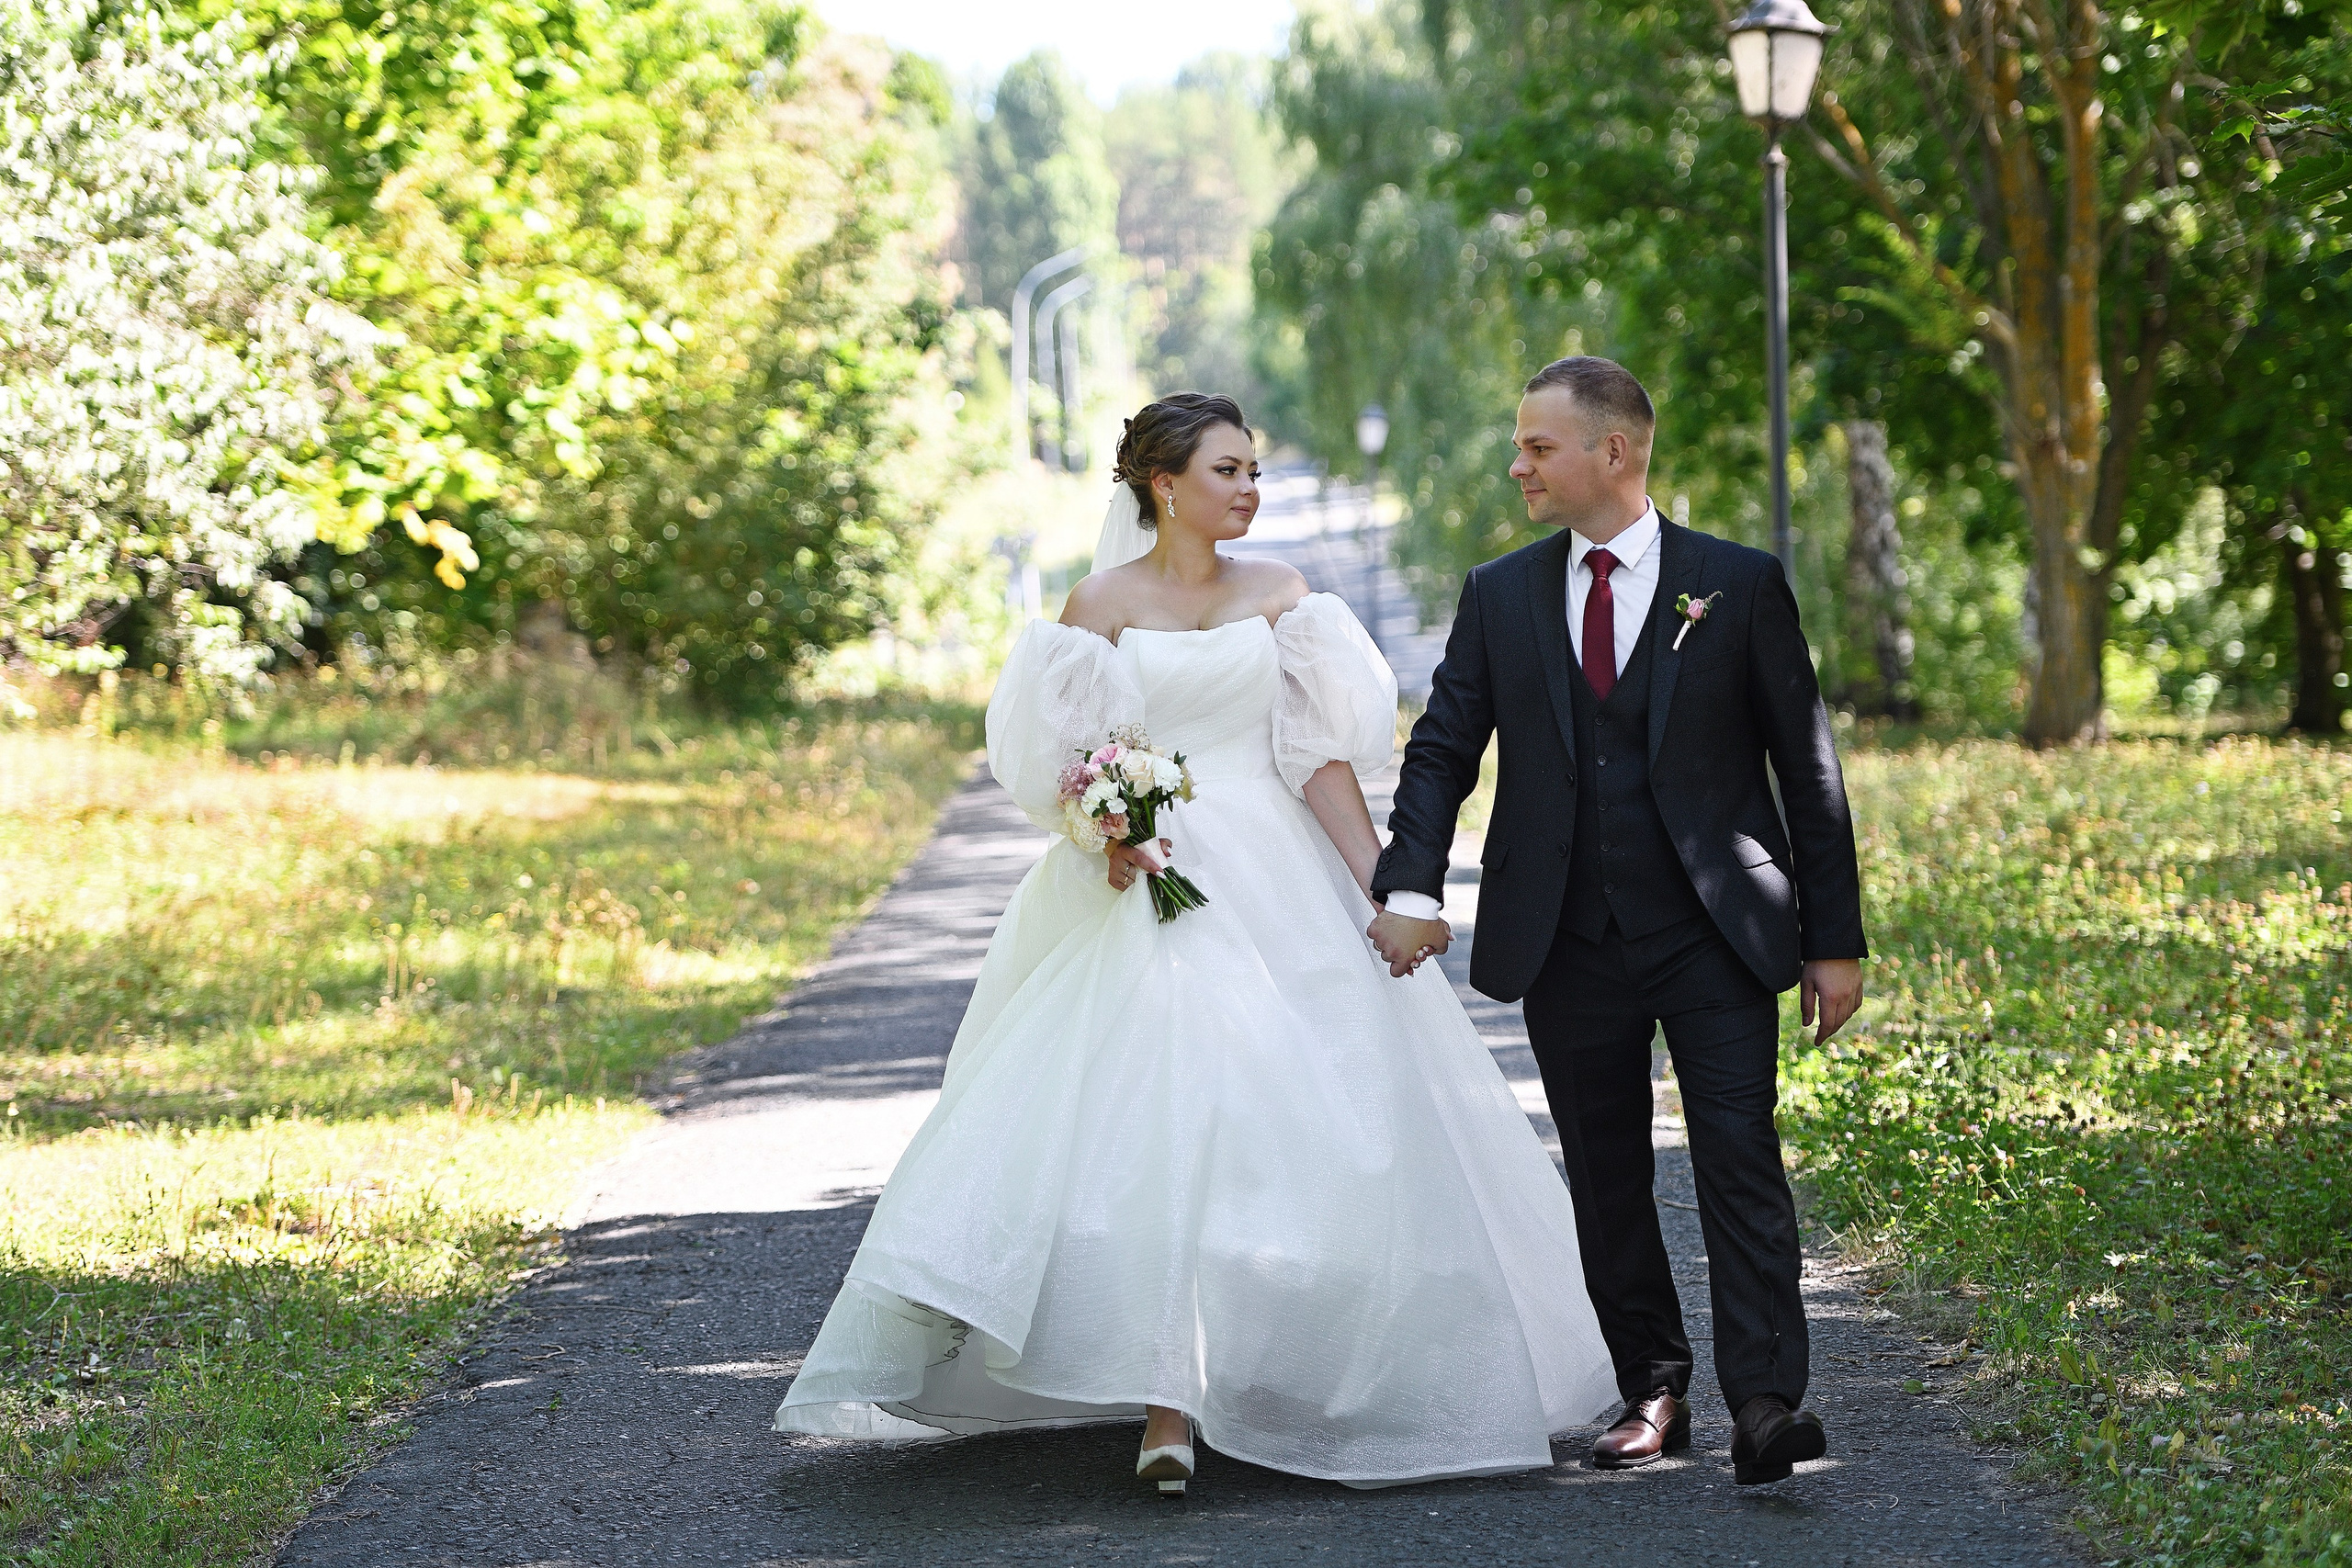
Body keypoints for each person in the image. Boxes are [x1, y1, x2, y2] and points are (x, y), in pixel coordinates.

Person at [774, 393, 1618, 1492]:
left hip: (1274, 874)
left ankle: (1293, 1369)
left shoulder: (1284, 600)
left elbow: (1317, 761)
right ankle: (1168, 1404)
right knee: (1165, 1117)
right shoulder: (1097, 604)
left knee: (1304, 1120)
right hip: (1150, 882)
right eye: (1229, 470)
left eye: (1255, 469)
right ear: (1164, 485)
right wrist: (1109, 834)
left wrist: (1385, 888)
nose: (1249, 489)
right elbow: (1068, 764)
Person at [1366, 356, 1868, 1486]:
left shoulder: (1735, 584)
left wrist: (1832, 940)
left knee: (1738, 1153)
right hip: (1567, 932)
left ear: (1615, 452)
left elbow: (1808, 767)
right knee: (1604, 1170)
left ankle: (1765, 1401)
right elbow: (1445, 750)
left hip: (1717, 927)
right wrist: (1408, 886)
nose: (1518, 465)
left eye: (1538, 446)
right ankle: (1654, 1386)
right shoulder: (1500, 594)